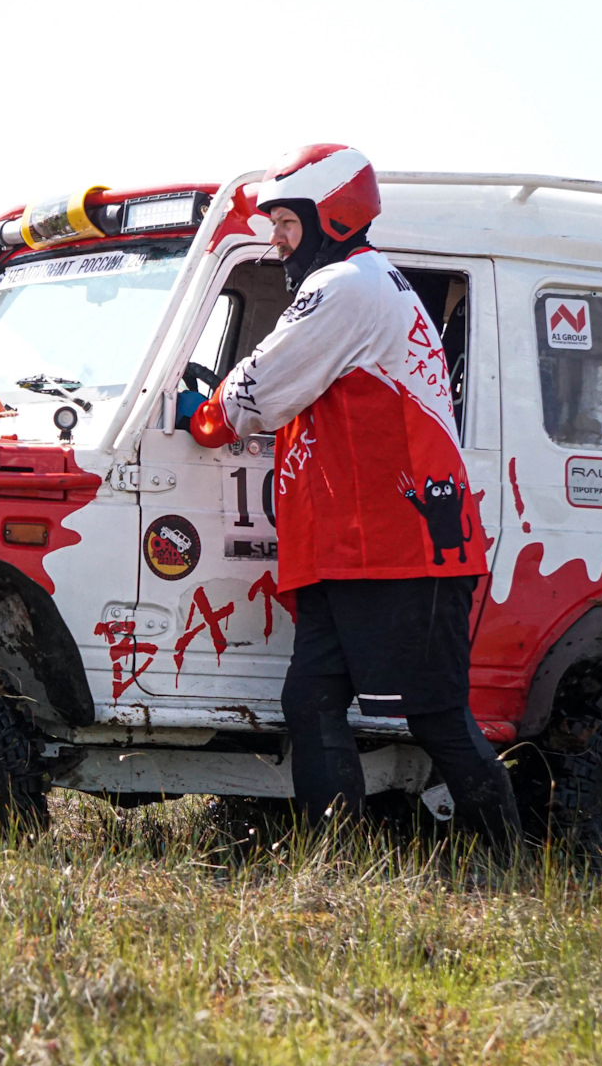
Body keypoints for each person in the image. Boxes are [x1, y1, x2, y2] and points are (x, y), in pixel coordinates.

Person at [189, 143, 519, 848]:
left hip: (403, 545)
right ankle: (334, 864)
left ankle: (515, 863)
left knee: (437, 718)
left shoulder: (343, 286)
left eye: (285, 222)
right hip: (360, 545)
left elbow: (261, 387)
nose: (275, 239)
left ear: (329, 215)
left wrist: (207, 410)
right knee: (309, 700)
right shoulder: (370, 282)